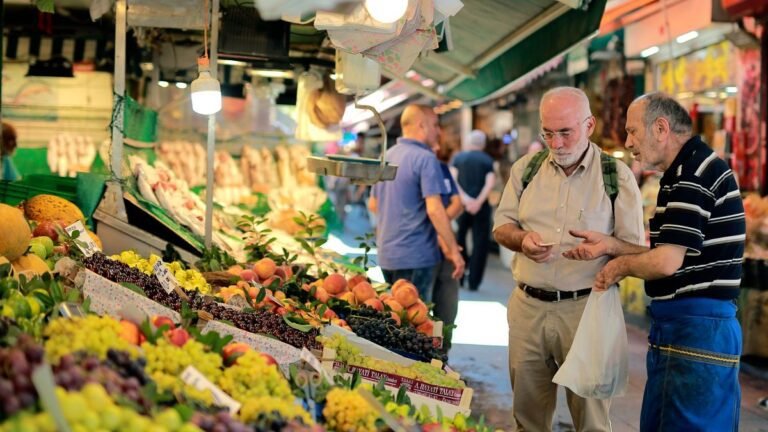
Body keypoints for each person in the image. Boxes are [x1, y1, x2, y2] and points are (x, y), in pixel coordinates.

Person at [563, 93, 745, 432]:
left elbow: (665, 263)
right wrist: (612, 246)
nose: (629, 142)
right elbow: (675, 253)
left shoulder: (692, 174)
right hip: (696, 329)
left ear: (661, 128)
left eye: (633, 132)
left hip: (695, 330)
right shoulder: (687, 169)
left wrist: (616, 268)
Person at [492, 87, 644, 431]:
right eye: (548, 133)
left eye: (565, 132)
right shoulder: (525, 169)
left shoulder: (616, 177)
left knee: (591, 419)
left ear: (589, 126)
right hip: (527, 308)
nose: (556, 143)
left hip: (586, 309)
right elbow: (501, 227)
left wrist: (604, 247)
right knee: (527, 418)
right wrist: (521, 240)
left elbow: (635, 251)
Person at [369, 105, 464, 301]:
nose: (438, 131)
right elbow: (435, 209)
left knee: (394, 319)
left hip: (387, 255)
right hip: (416, 257)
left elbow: (373, 204)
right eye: (435, 125)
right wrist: (454, 251)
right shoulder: (426, 158)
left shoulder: (386, 156)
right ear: (422, 126)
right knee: (415, 323)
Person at [451, 130, 496, 291]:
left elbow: (453, 180)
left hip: (461, 206)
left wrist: (465, 199)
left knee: (460, 240)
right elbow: (490, 183)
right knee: (480, 243)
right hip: (481, 208)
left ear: (469, 142)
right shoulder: (488, 160)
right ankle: (474, 281)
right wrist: (478, 201)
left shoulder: (459, 158)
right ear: (482, 144)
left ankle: (460, 276)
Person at [431, 130, 463, 350]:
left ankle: (437, 358)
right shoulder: (426, 167)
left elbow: (457, 203)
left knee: (444, 310)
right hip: (428, 248)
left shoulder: (441, 169)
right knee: (429, 311)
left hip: (441, 245)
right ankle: (433, 358)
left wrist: (440, 219)